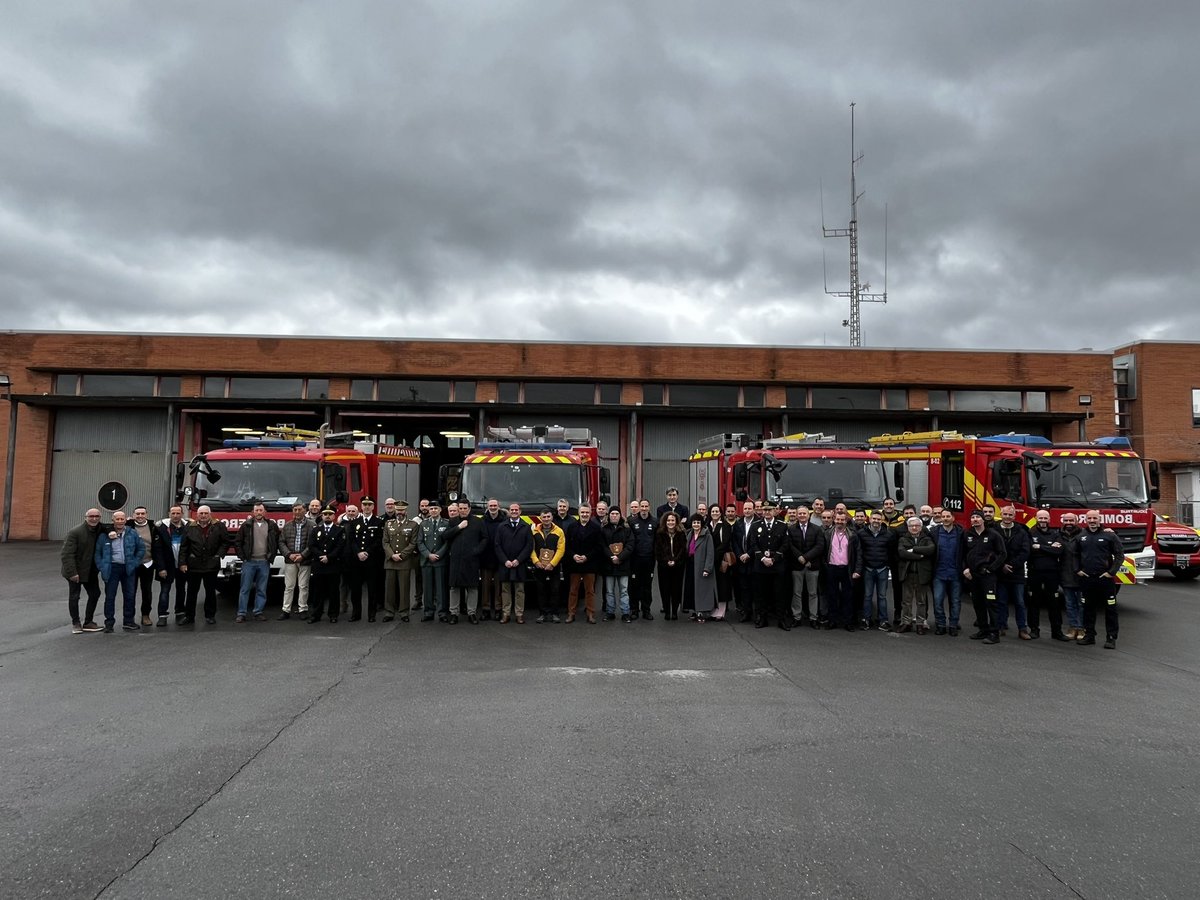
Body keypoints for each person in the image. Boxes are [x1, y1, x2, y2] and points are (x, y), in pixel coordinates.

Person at [1073, 510, 1124, 648]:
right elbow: (1075, 555)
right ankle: (1089, 635)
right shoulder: (1081, 536)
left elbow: (1120, 555)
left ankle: (1111, 638)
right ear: (1086, 520)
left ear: (1099, 519)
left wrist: (1111, 572)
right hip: (1087, 579)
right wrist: (1078, 570)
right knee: (1088, 608)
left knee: (1110, 609)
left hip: (1105, 580)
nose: (1092, 520)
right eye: (1089, 518)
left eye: (1095, 518)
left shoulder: (1110, 535)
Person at [95, 511, 146, 632]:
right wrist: (102, 566)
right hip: (112, 568)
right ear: (113, 520)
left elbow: (141, 548)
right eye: (117, 519)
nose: (119, 521)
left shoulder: (132, 533)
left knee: (130, 595)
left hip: (128, 568)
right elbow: (98, 553)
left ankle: (128, 621)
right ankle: (109, 623)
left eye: (122, 519)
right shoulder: (104, 535)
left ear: (125, 520)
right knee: (110, 597)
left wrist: (134, 563)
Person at [179, 506, 231, 625]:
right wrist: (182, 563)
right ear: (197, 515)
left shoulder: (219, 526)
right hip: (193, 565)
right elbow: (184, 547)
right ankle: (189, 616)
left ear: (210, 514)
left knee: (210, 592)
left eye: (205, 513)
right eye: (201, 513)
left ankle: (210, 615)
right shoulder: (189, 527)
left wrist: (219, 555)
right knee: (191, 592)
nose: (203, 515)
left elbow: (226, 542)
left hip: (211, 564)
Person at [962, 509, 1007, 644]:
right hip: (973, 575)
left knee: (991, 603)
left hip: (988, 576)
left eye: (978, 517)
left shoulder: (993, 535)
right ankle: (983, 629)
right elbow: (962, 554)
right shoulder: (967, 534)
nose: (975, 519)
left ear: (983, 520)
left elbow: (1002, 554)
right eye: (973, 517)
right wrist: (965, 569)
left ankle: (994, 632)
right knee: (977, 603)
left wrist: (991, 568)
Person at [443, 501, 490, 624]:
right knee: (454, 587)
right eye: (460, 508)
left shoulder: (478, 521)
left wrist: (477, 550)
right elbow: (445, 536)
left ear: (469, 509)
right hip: (456, 559)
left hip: (472, 559)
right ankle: (454, 613)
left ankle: (472, 613)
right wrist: (459, 527)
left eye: (465, 508)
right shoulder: (453, 521)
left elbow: (485, 538)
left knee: (472, 587)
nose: (462, 510)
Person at [61, 508, 105, 633]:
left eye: (97, 516)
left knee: (95, 593)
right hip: (75, 570)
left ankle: (88, 622)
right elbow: (66, 554)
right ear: (86, 517)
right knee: (74, 596)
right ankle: (76, 623)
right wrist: (72, 573)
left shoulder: (100, 529)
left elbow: (114, 526)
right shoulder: (75, 532)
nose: (94, 518)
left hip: (90, 570)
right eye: (91, 516)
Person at [235, 503, 281, 623]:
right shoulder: (246, 525)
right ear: (253, 512)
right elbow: (238, 542)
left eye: (261, 510)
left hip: (264, 562)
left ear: (265, 512)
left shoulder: (271, 525)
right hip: (249, 562)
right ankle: (241, 613)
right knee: (245, 589)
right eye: (257, 510)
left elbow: (277, 540)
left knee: (261, 589)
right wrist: (242, 557)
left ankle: (258, 612)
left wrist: (272, 555)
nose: (259, 512)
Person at [748, 501, 790, 629]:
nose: (767, 512)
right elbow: (753, 544)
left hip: (776, 565)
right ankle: (762, 618)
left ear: (775, 511)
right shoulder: (756, 526)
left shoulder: (782, 526)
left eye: (769, 510)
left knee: (779, 593)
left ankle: (781, 619)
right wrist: (762, 558)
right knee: (761, 594)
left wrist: (774, 558)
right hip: (761, 566)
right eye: (765, 510)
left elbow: (785, 544)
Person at [1026, 511, 1068, 641]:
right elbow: (1029, 550)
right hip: (1035, 572)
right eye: (1040, 518)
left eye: (1045, 518)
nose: (1043, 520)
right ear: (1036, 519)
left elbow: (1059, 551)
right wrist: (1049, 547)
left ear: (1049, 519)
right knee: (1034, 602)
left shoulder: (1056, 534)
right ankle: (1034, 630)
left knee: (1054, 603)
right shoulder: (1030, 533)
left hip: (1052, 573)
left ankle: (1057, 631)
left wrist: (1040, 547)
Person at [995, 505, 1032, 639]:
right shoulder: (994, 530)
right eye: (1005, 514)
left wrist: (1011, 565)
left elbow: (1025, 551)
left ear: (1014, 516)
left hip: (1017, 573)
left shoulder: (1021, 531)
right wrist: (1002, 565)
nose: (1007, 517)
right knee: (1001, 601)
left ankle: (1022, 629)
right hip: (1000, 572)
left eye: (1010, 515)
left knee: (1020, 602)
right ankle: (1000, 626)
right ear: (1001, 514)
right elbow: (992, 550)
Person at [563, 504, 604, 623]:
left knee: (590, 591)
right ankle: (571, 613)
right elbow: (567, 546)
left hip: (589, 564)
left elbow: (598, 547)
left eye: (587, 513)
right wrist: (574, 556)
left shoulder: (596, 528)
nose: (584, 515)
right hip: (574, 563)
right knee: (573, 590)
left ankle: (590, 614)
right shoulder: (571, 527)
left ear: (590, 514)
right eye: (582, 512)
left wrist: (587, 557)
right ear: (579, 513)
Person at [788, 505, 826, 628]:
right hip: (796, 566)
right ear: (797, 515)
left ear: (808, 515)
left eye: (804, 513)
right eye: (800, 514)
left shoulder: (817, 529)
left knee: (813, 593)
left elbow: (820, 546)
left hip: (812, 566)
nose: (802, 516)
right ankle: (796, 617)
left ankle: (813, 618)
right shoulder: (791, 529)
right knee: (797, 593)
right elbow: (790, 546)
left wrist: (807, 558)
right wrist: (800, 557)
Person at [495, 502, 533, 623]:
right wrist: (505, 560)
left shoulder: (526, 526)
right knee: (505, 590)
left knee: (520, 590)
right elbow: (497, 545)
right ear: (509, 512)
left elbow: (528, 546)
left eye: (516, 510)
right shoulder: (501, 527)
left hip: (519, 564)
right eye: (512, 510)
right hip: (505, 564)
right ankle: (506, 614)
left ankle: (519, 614)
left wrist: (519, 560)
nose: (514, 512)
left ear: (520, 511)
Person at [381, 500, 419, 622]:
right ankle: (389, 612)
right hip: (391, 561)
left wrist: (401, 555)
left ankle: (404, 612)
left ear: (406, 511)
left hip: (404, 561)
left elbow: (413, 543)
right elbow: (385, 542)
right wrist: (392, 555)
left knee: (404, 588)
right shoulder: (388, 524)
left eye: (402, 510)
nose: (399, 512)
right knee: (389, 589)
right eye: (398, 510)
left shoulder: (413, 525)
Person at [896, 517, 935, 633]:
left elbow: (931, 549)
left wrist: (913, 550)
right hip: (907, 574)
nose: (914, 528)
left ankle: (920, 623)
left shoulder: (927, 538)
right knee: (906, 601)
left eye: (917, 525)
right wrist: (920, 556)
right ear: (907, 527)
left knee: (921, 601)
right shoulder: (903, 539)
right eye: (911, 526)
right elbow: (902, 553)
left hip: (922, 574)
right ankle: (906, 623)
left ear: (921, 527)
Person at [824, 511, 862, 630]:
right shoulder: (827, 534)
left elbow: (859, 553)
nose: (839, 522)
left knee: (848, 596)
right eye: (837, 519)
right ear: (834, 520)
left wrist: (857, 570)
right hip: (832, 568)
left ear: (846, 521)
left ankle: (848, 622)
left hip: (847, 569)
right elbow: (822, 551)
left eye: (842, 520)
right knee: (832, 596)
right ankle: (832, 621)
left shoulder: (853, 535)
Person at [154, 505, 191, 626]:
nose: (175, 516)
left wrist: (184, 563)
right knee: (165, 591)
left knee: (181, 590)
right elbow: (157, 550)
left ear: (182, 514)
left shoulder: (189, 527)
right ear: (169, 513)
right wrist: (161, 568)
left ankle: (180, 613)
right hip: (166, 566)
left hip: (182, 565)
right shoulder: (161, 528)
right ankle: (162, 616)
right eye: (173, 513)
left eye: (178, 513)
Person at [308, 507, 345, 624]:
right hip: (319, 565)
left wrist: (329, 557)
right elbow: (312, 546)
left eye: (330, 514)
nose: (327, 516)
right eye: (325, 514)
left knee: (333, 591)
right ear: (322, 516)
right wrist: (321, 556)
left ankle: (333, 614)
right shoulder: (315, 529)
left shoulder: (339, 530)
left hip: (333, 565)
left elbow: (340, 546)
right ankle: (316, 614)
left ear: (334, 516)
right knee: (317, 591)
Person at [929, 509, 964, 635]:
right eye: (943, 516)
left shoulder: (961, 533)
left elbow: (965, 553)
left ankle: (953, 625)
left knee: (955, 601)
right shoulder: (934, 532)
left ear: (953, 518)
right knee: (938, 600)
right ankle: (941, 624)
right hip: (939, 573)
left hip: (955, 573)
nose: (945, 518)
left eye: (948, 516)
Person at [858, 511, 894, 631]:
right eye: (874, 519)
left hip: (882, 569)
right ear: (869, 519)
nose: (876, 521)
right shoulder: (861, 533)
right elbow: (860, 552)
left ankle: (883, 621)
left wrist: (887, 565)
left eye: (879, 519)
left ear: (881, 520)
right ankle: (866, 620)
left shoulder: (888, 534)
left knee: (882, 596)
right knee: (867, 596)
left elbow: (891, 552)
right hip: (868, 568)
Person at [278, 503, 314, 620]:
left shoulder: (311, 525)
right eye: (295, 510)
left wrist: (302, 555)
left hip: (305, 560)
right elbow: (281, 542)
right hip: (290, 560)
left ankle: (303, 609)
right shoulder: (287, 526)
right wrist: (289, 554)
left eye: (299, 509)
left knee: (303, 586)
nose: (297, 512)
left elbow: (312, 543)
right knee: (289, 586)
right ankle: (286, 610)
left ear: (304, 511)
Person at [417, 502, 451, 622]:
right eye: (431, 508)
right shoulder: (423, 523)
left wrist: (439, 554)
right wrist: (428, 555)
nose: (433, 510)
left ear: (440, 509)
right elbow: (419, 542)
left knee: (441, 588)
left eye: (435, 508)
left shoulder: (446, 523)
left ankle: (442, 613)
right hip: (426, 561)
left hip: (440, 561)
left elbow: (448, 542)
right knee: (428, 589)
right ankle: (428, 612)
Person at [531, 509, 566, 623]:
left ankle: (554, 613)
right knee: (541, 590)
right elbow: (531, 548)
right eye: (544, 517)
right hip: (539, 566)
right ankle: (542, 613)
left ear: (552, 517)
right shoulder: (534, 531)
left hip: (553, 567)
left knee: (555, 590)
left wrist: (552, 564)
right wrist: (536, 561)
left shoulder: (559, 531)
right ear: (540, 518)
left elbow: (561, 549)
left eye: (548, 516)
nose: (546, 519)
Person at [129, 506, 160, 627]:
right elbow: (110, 526)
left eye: (142, 513)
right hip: (132, 565)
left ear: (146, 514)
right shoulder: (128, 525)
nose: (140, 516)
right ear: (133, 515)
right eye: (137, 514)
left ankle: (145, 615)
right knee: (131, 591)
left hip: (148, 564)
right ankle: (129, 617)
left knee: (146, 591)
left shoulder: (153, 527)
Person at [601, 507, 634, 621]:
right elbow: (603, 546)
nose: (614, 515)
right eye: (612, 514)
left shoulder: (627, 529)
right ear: (609, 515)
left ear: (620, 515)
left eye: (616, 513)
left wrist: (620, 557)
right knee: (609, 591)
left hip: (623, 564)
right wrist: (611, 557)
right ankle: (610, 612)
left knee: (624, 590)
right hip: (609, 564)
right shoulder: (604, 529)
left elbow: (630, 546)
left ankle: (625, 612)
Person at [654, 511, 687, 620]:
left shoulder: (681, 533)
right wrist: (667, 560)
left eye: (672, 520)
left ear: (676, 521)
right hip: (664, 566)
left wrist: (675, 561)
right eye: (668, 520)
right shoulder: (660, 533)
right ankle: (667, 611)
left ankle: (674, 612)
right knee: (665, 589)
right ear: (665, 521)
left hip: (678, 566)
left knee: (676, 589)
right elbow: (658, 551)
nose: (670, 522)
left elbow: (683, 550)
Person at [628, 499, 657, 620]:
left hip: (649, 559)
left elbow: (657, 541)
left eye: (646, 506)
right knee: (634, 585)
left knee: (647, 585)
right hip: (635, 559)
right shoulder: (632, 521)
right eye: (642, 506)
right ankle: (634, 609)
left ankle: (646, 610)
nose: (644, 509)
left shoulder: (655, 522)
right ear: (639, 508)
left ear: (649, 507)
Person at [1057, 513, 1085, 639]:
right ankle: (1073, 627)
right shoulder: (1058, 535)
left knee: (1082, 604)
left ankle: (1081, 628)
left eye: (1071, 520)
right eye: (1066, 520)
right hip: (1066, 575)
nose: (1069, 522)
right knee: (1069, 604)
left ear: (1077, 521)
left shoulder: (1084, 534)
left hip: (1081, 576)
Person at [478, 498, 507, 620]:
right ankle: (485, 609)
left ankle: (498, 609)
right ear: (487, 507)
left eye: (495, 505)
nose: (493, 507)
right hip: (486, 557)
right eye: (491, 505)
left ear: (498, 507)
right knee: (485, 586)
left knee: (498, 586)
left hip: (500, 558)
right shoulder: (482, 521)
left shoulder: (505, 521)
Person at [684, 513, 716, 622]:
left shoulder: (707, 536)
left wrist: (707, 568)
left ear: (701, 524)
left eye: (698, 522)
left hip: (702, 567)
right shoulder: (690, 534)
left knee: (702, 591)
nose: (696, 524)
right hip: (691, 565)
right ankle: (694, 611)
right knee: (692, 589)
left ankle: (702, 613)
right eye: (694, 522)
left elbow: (710, 553)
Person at [359, 497, 386, 622]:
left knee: (372, 589)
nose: (367, 507)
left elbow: (379, 540)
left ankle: (371, 614)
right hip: (358, 560)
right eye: (364, 504)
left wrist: (367, 552)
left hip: (372, 560)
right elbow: (352, 540)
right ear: (361, 506)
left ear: (373, 507)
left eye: (369, 504)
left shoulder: (379, 522)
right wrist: (358, 552)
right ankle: (356, 613)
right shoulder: (356, 522)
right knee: (356, 589)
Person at [731, 500, 756, 622]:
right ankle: (746, 612)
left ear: (754, 510)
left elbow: (758, 543)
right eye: (745, 509)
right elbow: (734, 541)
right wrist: (740, 554)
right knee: (744, 588)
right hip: (741, 562)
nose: (747, 511)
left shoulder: (758, 522)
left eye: (749, 509)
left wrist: (749, 554)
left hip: (754, 561)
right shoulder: (738, 523)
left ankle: (758, 613)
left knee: (756, 588)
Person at [708, 503, 734, 621]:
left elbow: (725, 543)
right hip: (710, 559)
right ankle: (713, 609)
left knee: (723, 585)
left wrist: (713, 554)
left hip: (721, 559)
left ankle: (721, 611)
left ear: (720, 513)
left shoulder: (725, 525)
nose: (714, 514)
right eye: (712, 511)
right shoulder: (707, 525)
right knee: (713, 584)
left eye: (717, 511)